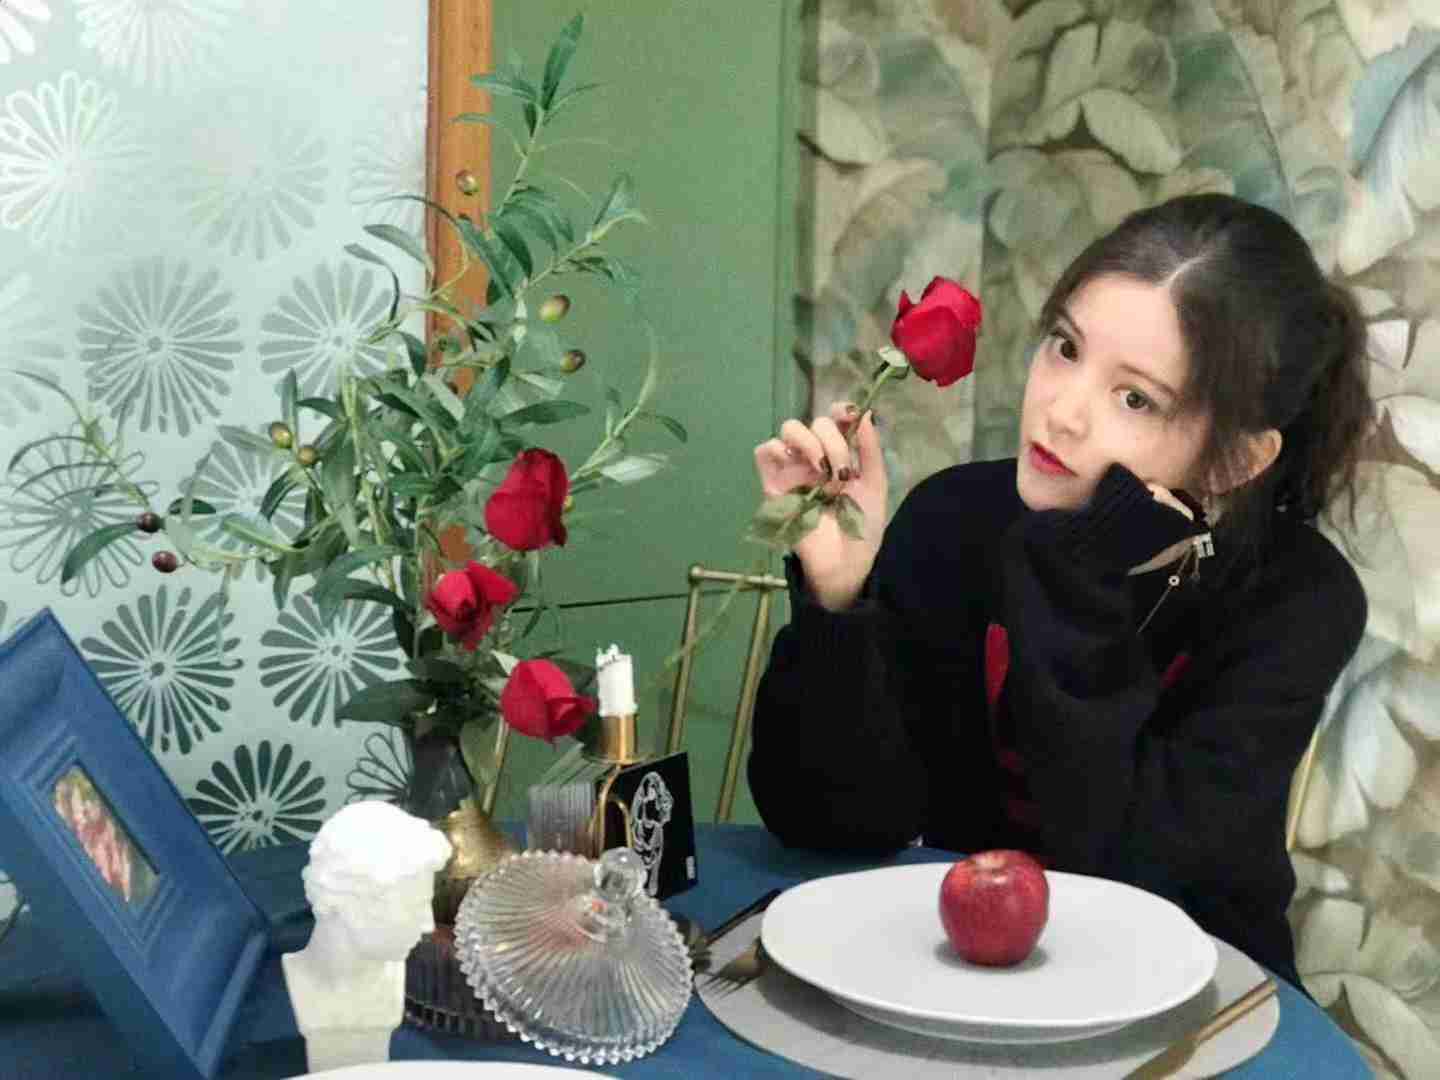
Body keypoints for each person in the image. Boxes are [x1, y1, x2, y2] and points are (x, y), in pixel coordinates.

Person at [747, 194, 1372, 992]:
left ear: (1234, 460)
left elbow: (1136, 874)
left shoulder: (1298, 599)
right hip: (951, 973)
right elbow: (827, 824)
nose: (1061, 411)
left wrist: (1080, 571)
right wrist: (841, 602)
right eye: (1066, 347)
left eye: (1135, 397)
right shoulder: (954, 517)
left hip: (1188, 990)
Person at [282, 800, 452, 1072]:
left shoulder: (393, 973)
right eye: (413, 907)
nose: (427, 925)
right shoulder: (302, 991)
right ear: (347, 903)